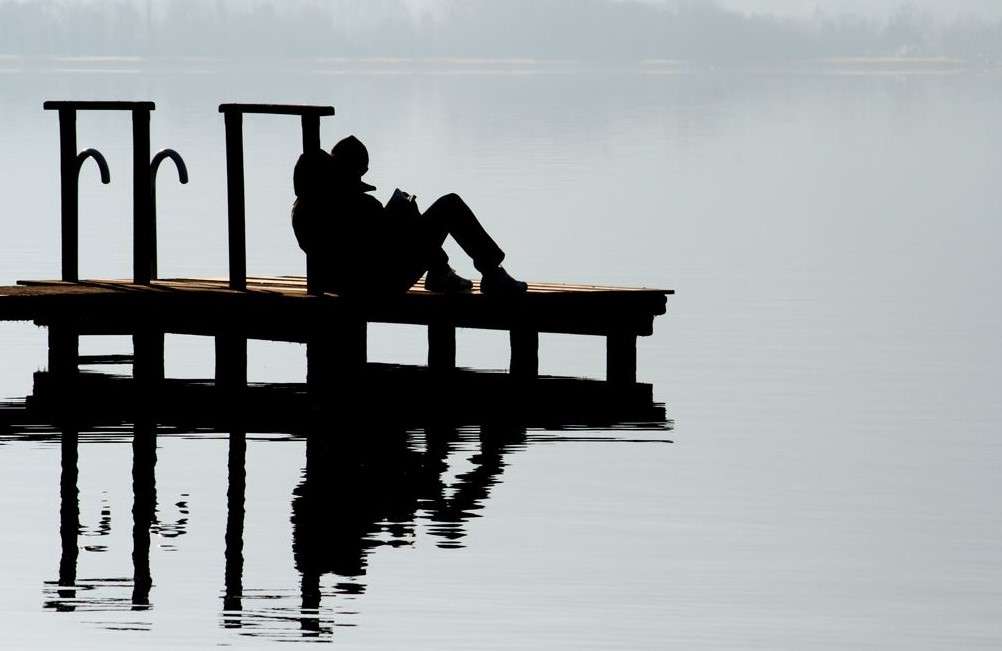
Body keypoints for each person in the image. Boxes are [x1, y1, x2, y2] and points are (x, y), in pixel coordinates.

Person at [292, 135, 527, 297]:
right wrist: (403, 214)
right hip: (379, 284)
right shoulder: (353, 205)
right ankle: (490, 273)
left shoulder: (305, 210)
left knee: (413, 218)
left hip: (345, 282)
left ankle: (441, 272)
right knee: (449, 205)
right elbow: (382, 245)